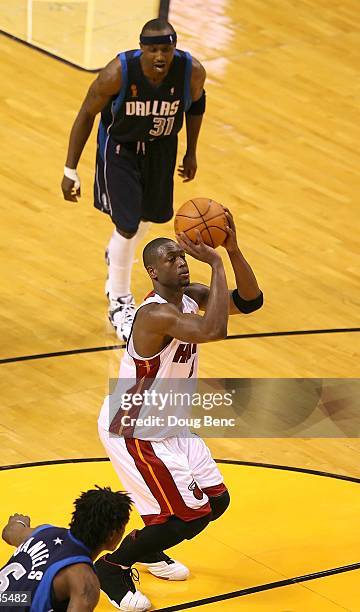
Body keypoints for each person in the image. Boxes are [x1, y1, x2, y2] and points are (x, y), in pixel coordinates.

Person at [96, 211, 263, 611]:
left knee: (214, 503)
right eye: (172, 257)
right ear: (153, 271)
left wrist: (233, 249)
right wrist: (217, 263)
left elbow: (250, 302)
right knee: (187, 517)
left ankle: (149, 549)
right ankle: (113, 568)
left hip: (168, 422)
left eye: (183, 255)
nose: (182, 260)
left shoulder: (192, 297)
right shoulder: (155, 314)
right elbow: (213, 331)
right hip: (134, 427)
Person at [61, 18, 207, 342]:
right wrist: (70, 169)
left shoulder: (191, 71)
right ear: (141, 48)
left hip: (162, 149)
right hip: (121, 150)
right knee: (127, 225)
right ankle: (119, 303)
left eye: (165, 49)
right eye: (153, 49)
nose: (159, 56)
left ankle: (117, 254)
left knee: (147, 219)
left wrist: (191, 152)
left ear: (174, 48)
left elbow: (197, 106)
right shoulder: (118, 72)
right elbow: (86, 112)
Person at [0, 486, 132, 611]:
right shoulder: (84, 580)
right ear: (112, 535)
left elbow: (9, 532)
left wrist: (19, 521)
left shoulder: (43, 532)